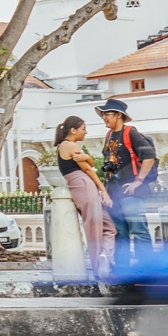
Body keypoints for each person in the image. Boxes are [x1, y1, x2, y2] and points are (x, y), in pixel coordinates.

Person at [97, 98, 159, 267]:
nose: (104, 117)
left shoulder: (131, 132)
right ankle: (122, 268)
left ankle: (147, 267)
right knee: (119, 232)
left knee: (138, 230)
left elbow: (149, 156)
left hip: (131, 193)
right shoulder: (109, 135)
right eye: (103, 114)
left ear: (118, 115)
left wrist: (138, 181)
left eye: (107, 114)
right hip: (114, 192)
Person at [57, 115, 115, 279]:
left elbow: (89, 164)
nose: (86, 132)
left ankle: (105, 257)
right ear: (73, 130)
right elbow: (89, 169)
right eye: (83, 129)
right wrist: (103, 190)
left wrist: (88, 158)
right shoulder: (69, 145)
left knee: (109, 227)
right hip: (83, 185)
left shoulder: (68, 146)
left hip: (83, 185)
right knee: (94, 229)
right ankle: (99, 270)